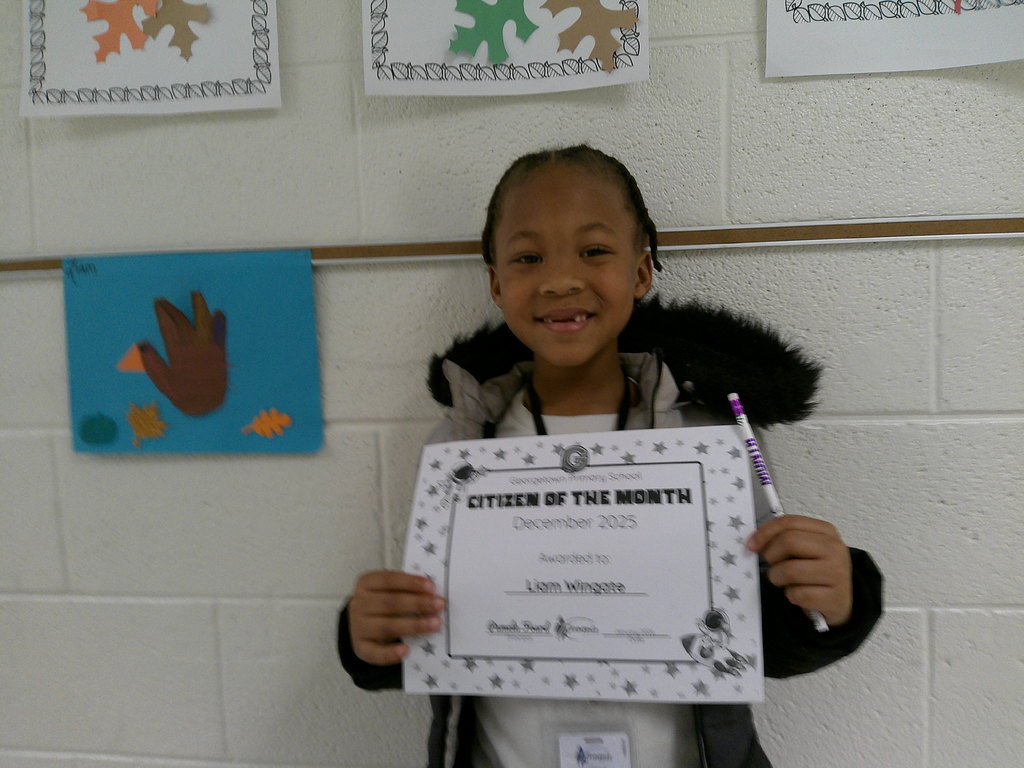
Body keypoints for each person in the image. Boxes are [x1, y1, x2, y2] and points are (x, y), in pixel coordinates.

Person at [338, 145, 883, 768]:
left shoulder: (714, 439)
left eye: (594, 251)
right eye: (527, 256)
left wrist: (834, 602)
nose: (560, 279)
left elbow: (762, 640)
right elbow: (433, 633)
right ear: (495, 283)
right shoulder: (461, 445)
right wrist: (370, 635)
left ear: (642, 272)